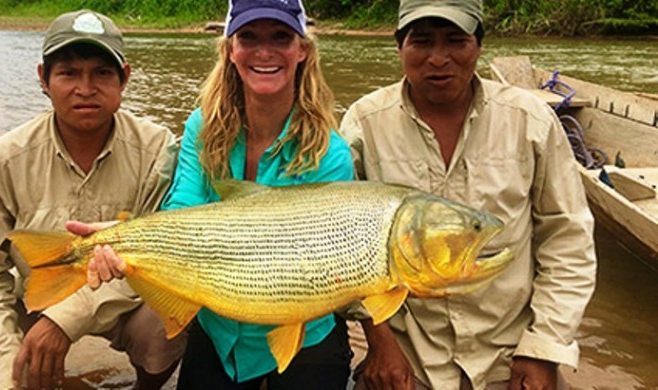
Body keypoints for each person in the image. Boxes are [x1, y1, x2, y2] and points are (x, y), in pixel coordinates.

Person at [85, 0, 355, 388]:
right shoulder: (202, 126)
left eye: (280, 37)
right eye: (248, 37)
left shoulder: (330, 153)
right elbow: (183, 206)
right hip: (219, 329)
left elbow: (321, 259)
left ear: (303, 51)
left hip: (303, 332)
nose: (264, 52)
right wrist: (130, 239)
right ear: (230, 49)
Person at [339, 0, 598, 389]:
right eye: (422, 41)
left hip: (510, 359)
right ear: (399, 47)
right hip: (407, 362)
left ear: (478, 45)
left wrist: (543, 349)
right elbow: (346, 254)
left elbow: (568, 242)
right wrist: (380, 342)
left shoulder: (530, 121)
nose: (438, 59)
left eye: (455, 41)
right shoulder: (364, 124)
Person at [0, 9, 186, 390]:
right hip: (36, 298)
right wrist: (9, 364)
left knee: (172, 319)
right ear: (43, 79)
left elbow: (164, 262)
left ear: (125, 79)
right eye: (68, 73)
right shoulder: (3, 160)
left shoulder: (158, 150)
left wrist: (65, 322)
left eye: (102, 73)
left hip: (123, 300)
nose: (85, 88)